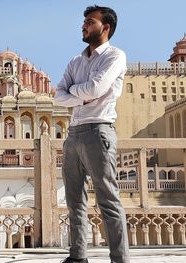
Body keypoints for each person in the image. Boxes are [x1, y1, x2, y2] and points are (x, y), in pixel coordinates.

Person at [54, 5, 130, 263]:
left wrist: (75, 94)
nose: (83, 25)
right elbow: (58, 96)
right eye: (84, 22)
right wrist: (80, 96)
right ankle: (77, 257)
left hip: (99, 132)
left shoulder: (115, 56)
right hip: (73, 134)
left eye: (89, 21)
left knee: (108, 201)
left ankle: (120, 259)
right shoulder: (76, 61)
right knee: (75, 202)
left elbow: (97, 88)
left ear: (105, 27)